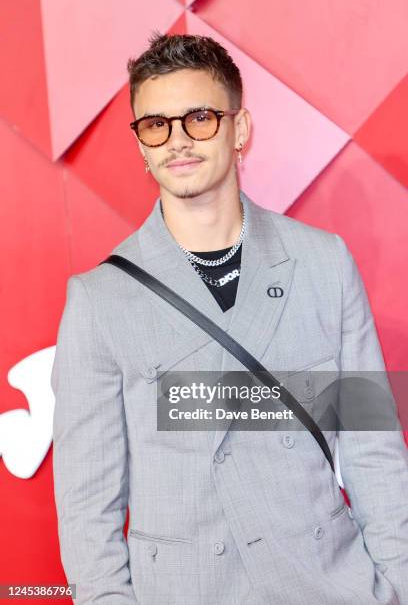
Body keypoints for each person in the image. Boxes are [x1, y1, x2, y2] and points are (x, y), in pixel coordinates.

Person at [51, 32, 408, 604]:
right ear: (141, 144)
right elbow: (87, 504)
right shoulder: (100, 299)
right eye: (156, 125)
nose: (178, 142)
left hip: (325, 584)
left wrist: (397, 585)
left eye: (199, 118)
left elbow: (373, 448)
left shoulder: (323, 262)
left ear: (240, 129)